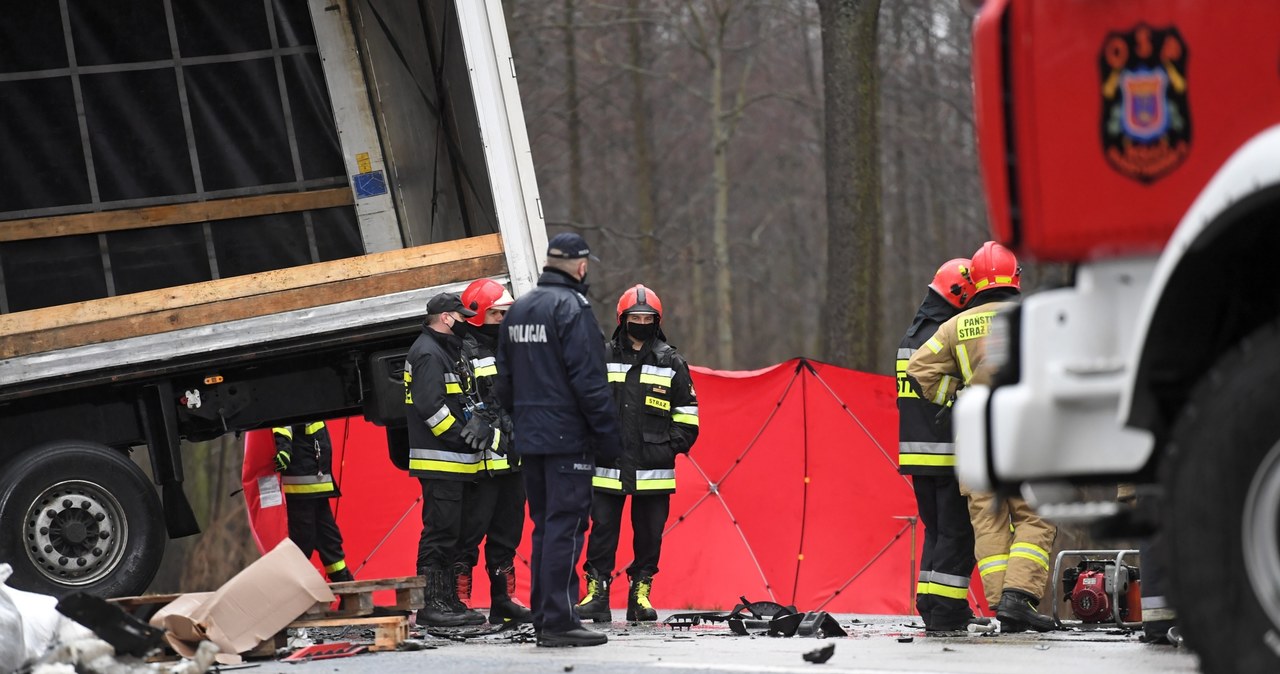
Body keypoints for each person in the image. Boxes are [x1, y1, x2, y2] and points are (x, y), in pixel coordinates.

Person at [907, 241, 1058, 633]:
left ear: (974, 281)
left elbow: (920, 368)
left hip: (975, 437)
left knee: (988, 520)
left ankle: (1000, 604)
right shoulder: (1034, 318)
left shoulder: (955, 325)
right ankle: (1018, 598)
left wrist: (954, 398)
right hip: (1024, 431)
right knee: (1036, 515)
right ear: (1015, 276)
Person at [496, 232, 621, 648]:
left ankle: (545, 615)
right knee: (566, 527)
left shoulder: (520, 309)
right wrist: (607, 436)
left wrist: (522, 423)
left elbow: (504, 381)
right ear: (581, 266)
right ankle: (560, 621)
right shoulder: (573, 308)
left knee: (545, 526)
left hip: (531, 438)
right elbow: (589, 380)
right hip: (568, 438)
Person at [577, 285, 699, 623]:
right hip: (607, 465)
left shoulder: (671, 361)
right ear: (623, 319)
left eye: (648, 318)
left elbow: (688, 417)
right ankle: (596, 594)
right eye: (636, 317)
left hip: (653, 470)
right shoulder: (601, 357)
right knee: (602, 531)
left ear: (657, 321)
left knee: (649, 535)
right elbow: (583, 408)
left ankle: (640, 594)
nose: (641, 323)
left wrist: (665, 449)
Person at [895, 259, 979, 633]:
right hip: (946, 452)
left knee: (935, 530)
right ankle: (947, 610)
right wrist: (965, 395)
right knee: (957, 533)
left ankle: (929, 604)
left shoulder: (911, 335)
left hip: (915, 454)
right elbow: (940, 390)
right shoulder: (945, 334)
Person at [404, 292, 489, 627]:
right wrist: (463, 436)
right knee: (439, 533)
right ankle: (431, 604)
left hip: (456, 461)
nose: (466, 323)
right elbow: (430, 407)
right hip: (441, 459)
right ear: (445, 318)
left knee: (453, 534)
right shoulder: (428, 352)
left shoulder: (447, 351)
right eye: (462, 316)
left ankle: (449, 600)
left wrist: (479, 424)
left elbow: (461, 399)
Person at [451, 278, 533, 625]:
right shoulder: (460, 350)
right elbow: (468, 403)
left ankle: (504, 600)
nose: (505, 321)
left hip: (515, 460)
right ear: (479, 315)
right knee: (468, 532)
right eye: (498, 314)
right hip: (479, 462)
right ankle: (459, 600)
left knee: (507, 532)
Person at [272, 421, 354, 583]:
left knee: (330, 540)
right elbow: (283, 422)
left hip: (317, 488)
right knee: (303, 542)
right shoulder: (291, 397)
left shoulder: (310, 397)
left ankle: (345, 585)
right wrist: (284, 450)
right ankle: (294, 590)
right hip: (301, 489)